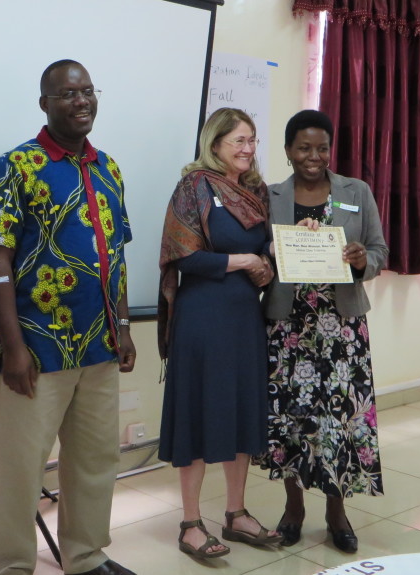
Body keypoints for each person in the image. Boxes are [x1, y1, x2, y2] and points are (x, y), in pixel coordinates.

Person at [0, 59, 137, 575]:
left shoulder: (108, 167)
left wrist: (126, 326)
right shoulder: (16, 166)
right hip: (39, 351)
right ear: (44, 102)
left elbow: (115, 252)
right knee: (21, 470)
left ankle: (86, 557)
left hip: (99, 346)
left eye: (88, 91)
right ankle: (10, 567)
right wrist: (14, 348)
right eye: (68, 93)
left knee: (95, 463)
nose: (81, 101)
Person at [255, 109, 388, 554]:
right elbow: (256, 252)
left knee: (340, 422)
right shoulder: (268, 195)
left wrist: (360, 260)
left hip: (342, 329)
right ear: (290, 150)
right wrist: (273, 250)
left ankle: (337, 511)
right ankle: (294, 508)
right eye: (304, 147)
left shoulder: (357, 191)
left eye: (322, 147)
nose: (314, 156)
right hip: (288, 327)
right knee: (290, 420)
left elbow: (380, 251)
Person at [157, 107, 282, 559]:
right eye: (239, 141)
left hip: (245, 317)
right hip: (202, 318)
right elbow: (182, 256)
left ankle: (235, 514)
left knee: (241, 409)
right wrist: (244, 263)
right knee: (197, 411)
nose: (248, 149)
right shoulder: (194, 187)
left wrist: (274, 257)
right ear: (215, 146)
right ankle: (190, 522)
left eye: (252, 140)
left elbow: (266, 246)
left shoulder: (256, 191)